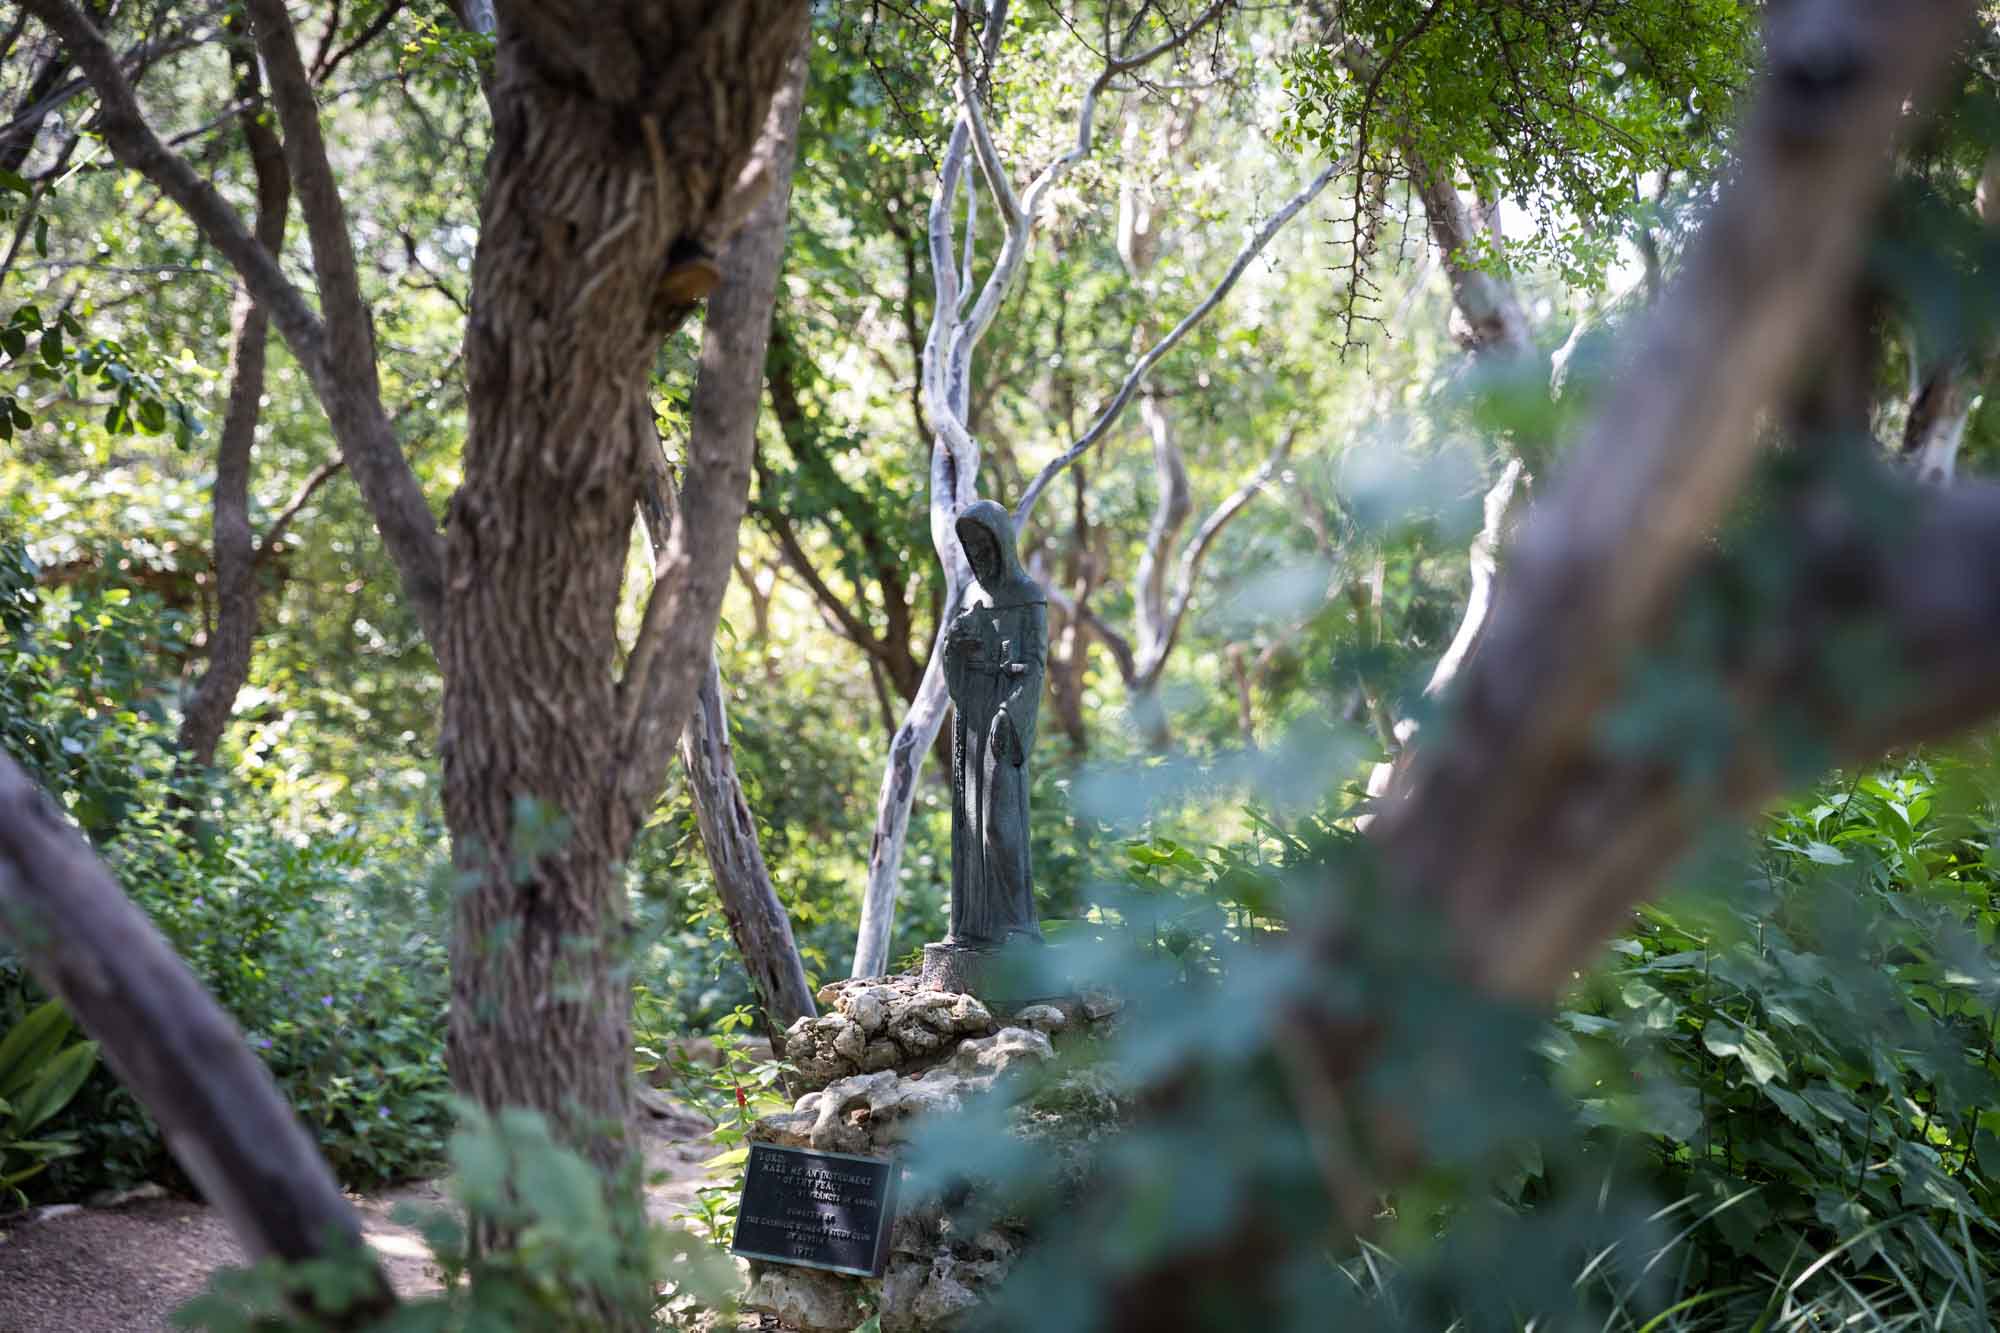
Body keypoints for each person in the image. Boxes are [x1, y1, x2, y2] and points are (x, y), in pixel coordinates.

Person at [941, 499, 1046, 947]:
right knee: (968, 824)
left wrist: (1013, 712)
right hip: (971, 716)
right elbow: (952, 653)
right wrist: (955, 648)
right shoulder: (970, 597)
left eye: (986, 547)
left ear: (1003, 545)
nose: (980, 557)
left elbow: (1037, 665)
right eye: (972, 549)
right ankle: (971, 928)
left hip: (1003, 717)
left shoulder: (1027, 595)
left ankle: (1016, 927)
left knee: (999, 824)